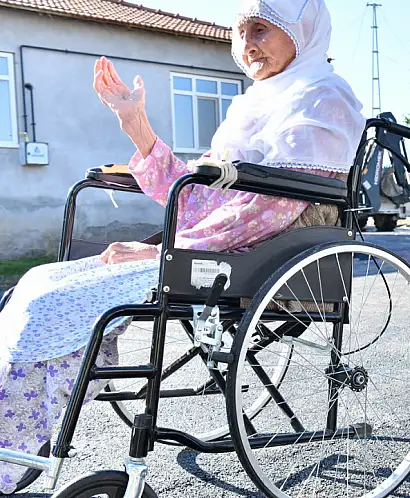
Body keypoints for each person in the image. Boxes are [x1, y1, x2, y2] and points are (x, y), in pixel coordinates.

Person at [0, 0, 365, 492]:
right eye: (241, 32)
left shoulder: (323, 97)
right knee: (38, 282)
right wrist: (136, 123)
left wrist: (166, 252)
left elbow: (274, 206)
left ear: (302, 33)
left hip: (255, 255)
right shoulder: (253, 105)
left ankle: (23, 439)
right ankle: (18, 434)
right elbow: (196, 196)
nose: (247, 43)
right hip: (219, 248)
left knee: (56, 302)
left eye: (262, 28)